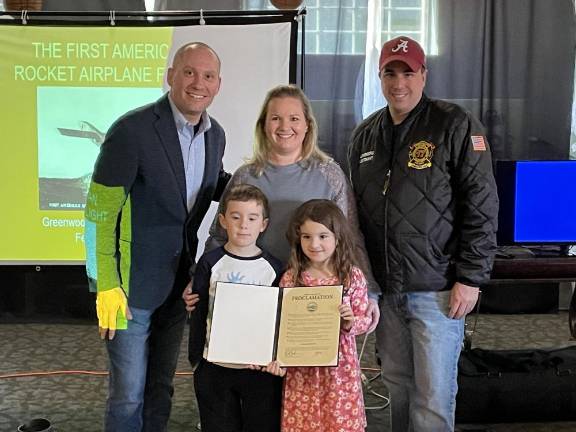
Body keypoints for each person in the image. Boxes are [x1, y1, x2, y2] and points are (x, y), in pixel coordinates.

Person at [348, 36, 499, 431]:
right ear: (380, 77)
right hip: (385, 291)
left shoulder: (454, 124)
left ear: (424, 75)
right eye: (390, 73)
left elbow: (482, 206)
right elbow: (357, 217)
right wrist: (366, 287)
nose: (399, 82)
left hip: (438, 291)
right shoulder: (364, 136)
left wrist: (470, 277)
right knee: (398, 387)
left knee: (432, 398)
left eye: (408, 72)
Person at [84, 41, 229, 432]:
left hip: (179, 285)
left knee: (161, 387)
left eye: (208, 76)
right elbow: (98, 215)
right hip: (129, 291)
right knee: (128, 394)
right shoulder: (131, 131)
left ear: (217, 85)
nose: (198, 83)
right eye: (189, 72)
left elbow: (212, 185)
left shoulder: (216, 137)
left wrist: (266, 182)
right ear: (170, 77)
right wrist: (105, 284)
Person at [185, 84, 381, 330]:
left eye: (294, 118)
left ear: (307, 124)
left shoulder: (330, 175)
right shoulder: (245, 177)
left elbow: (350, 236)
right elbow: (219, 236)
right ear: (264, 126)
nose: (284, 126)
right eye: (276, 118)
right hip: (252, 291)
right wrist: (198, 279)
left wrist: (370, 292)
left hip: (311, 297)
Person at [265, 199, 370, 431]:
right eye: (307, 237)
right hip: (301, 372)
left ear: (337, 237)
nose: (315, 244)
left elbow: (364, 320)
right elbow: (281, 325)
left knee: (340, 422)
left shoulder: (352, 277)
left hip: (340, 372)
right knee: (303, 422)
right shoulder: (291, 279)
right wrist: (278, 356)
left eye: (323, 236)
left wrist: (350, 322)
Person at [188, 184, 284, 432]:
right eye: (235, 217)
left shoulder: (274, 267)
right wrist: (196, 359)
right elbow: (198, 313)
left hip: (258, 370)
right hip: (215, 367)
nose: (244, 225)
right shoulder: (210, 263)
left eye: (252, 218)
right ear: (222, 221)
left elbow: (278, 319)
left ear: (263, 224)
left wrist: (274, 357)